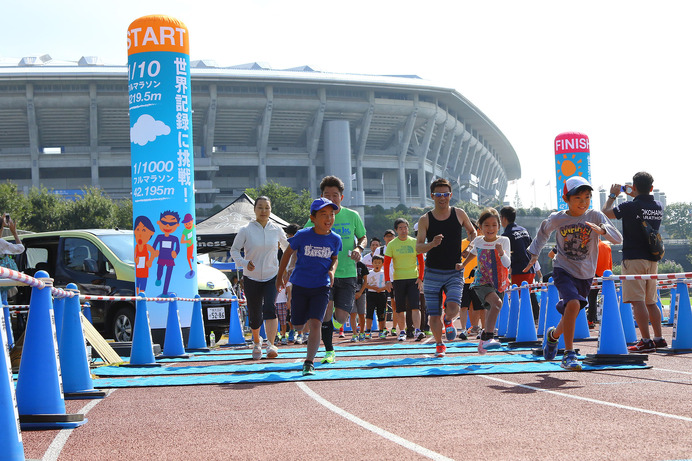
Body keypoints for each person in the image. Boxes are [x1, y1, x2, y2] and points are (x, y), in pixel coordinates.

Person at [525, 176, 622, 370]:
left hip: (586, 273)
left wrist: (602, 230)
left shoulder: (595, 216)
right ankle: (568, 354)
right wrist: (534, 254)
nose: (583, 202)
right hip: (563, 269)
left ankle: (553, 336)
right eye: (578, 198)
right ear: (566, 199)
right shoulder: (558, 217)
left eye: (587, 197)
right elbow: (543, 232)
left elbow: (618, 238)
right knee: (574, 304)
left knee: (572, 312)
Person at [304, 176, 367, 364]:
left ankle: (330, 325)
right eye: (326, 195)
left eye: (335, 195)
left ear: (342, 197)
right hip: (325, 273)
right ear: (321, 196)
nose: (331, 199)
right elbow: (304, 234)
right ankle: (329, 351)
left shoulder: (352, 216)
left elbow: (363, 236)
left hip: (348, 273)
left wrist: (359, 248)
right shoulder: (317, 216)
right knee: (325, 313)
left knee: (341, 317)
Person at [602, 172, 666, 352]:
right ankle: (659, 338)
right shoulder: (658, 205)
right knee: (651, 301)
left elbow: (606, 213)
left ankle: (645, 341)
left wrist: (613, 195)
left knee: (637, 301)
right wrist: (637, 194)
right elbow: (643, 202)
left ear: (634, 187)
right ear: (652, 188)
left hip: (633, 257)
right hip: (652, 257)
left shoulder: (629, 206)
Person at [277, 198, 341, 376]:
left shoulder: (335, 239)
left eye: (331, 215)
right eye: (323, 215)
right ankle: (298, 324)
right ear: (313, 218)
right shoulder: (303, 235)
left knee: (315, 323)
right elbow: (288, 252)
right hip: (300, 285)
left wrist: (332, 271)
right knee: (298, 325)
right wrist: (280, 275)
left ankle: (309, 362)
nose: (328, 218)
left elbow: (334, 258)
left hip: (321, 286)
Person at [416, 178, 477, 357]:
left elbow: (473, 232)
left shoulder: (459, 213)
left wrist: (469, 249)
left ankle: (448, 319)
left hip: (454, 270)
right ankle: (439, 344)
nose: (442, 198)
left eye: (445, 194)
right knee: (433, 314)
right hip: (433, 271)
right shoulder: (425, 219)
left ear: (450, 195)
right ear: (432, 196)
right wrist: (432, 244)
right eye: (438, 195)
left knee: (453, 308)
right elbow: (418, 247)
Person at [231, 196, 289, 360]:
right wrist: (244, 262)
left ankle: (271, 344)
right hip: (251, 277)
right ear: (255, 209)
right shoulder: (246, 230)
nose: (264, 211)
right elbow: (234, 250)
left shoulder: (276, 229)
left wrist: (287, 269)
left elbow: (287, 249)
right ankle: (257, 342)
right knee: (255, 314)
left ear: (271, 210)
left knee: (270, 308)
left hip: (272, 276)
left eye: (267, 208)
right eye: (260, 207)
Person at [458, 208, 511, 354]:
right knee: (497, 304)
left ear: (499, 227)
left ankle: (483, 341)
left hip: (499, 282)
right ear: (480, 228)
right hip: (481, 281)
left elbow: (507, 264)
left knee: (491, 310)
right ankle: (488, 337)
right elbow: (473, 253)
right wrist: (462, 265)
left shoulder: (504, 240)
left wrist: (501, 253)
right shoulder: (478, 240)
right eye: (486, 225)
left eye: (494, 225)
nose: (490, 228)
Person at [384, 218, 426, 341]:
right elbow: (386, 264)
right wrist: (387, 280)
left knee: (415, 306)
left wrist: (420, 278)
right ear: (396, 230)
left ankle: (418, 330)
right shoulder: (392, 244)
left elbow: (421, 262)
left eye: (405, 227)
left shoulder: (414, 242)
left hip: (413, 278)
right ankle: (402, 331)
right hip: (398, 279)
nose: (403, 230)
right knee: (400, 307)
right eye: (400, 228)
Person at [500, 206, 540, 319]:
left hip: (518, 269)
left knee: (518, 295)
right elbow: (533, 246)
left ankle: (521, 319)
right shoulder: (524, 230)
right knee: (529, 292)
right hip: (530, 268)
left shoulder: (506, 235)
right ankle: (535, 317)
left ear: (503, 218)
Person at [459, 221, 483, 339]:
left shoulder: (481, 242)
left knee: (479, 307)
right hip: (464, 280)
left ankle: (478, 328)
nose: (470, 230)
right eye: (468, 228)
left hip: (478, 280)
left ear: (477, 229)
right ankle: (463, 329)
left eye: (472, 228)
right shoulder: (462, 243)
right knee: (463, 306)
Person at [587, 238, 612, 328]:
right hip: (606, 275)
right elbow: (610, 262)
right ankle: (605, 318)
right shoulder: (607, 246)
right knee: (607, 298)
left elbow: (591, 262)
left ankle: (591, 320)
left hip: (595, 275)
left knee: (592, 298)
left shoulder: (592, 247)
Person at [1, 213, 24, 306]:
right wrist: (14, 232)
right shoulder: (1, 243)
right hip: (1, 279)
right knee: (3, 303)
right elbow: (20, 248)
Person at [365, 254, 388, 338]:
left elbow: (389, 284)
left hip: (381, 294)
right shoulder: (369, 273)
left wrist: (381, 289)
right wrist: (373, 288)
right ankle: (368, 331)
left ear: (382, 263)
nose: (377, 264)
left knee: (381, 313)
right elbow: (365, 284)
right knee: (369, 312)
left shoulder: (385, 273)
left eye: (379, 263)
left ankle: (381, 331)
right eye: (375, 263)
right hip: (371, 294)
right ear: (372, 263)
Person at [350, 261, 369, 341]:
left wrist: (360, 292)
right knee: (352, 314)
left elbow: (365, 281)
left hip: (362, 293)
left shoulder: (362, 265)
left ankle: (362, 332)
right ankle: (354, 334)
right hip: (350, 293)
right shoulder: (348, 264)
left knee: (362, 314)